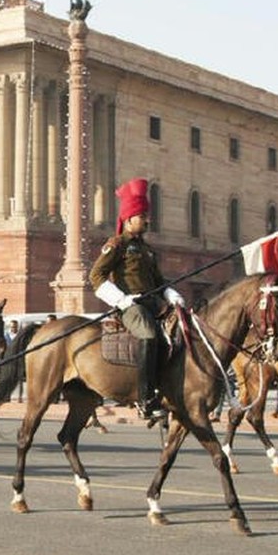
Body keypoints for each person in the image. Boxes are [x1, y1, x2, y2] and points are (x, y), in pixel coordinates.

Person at [90, 177, 184, 420]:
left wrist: (171, 294)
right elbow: (96, 275)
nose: (146, 220)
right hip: (131, 305)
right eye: (142, 216)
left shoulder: (147, 250)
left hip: (154, 303)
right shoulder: (117, 244)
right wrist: (120, 299)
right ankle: (145, 399)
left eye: (146, 216)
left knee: (178, 334)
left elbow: (159, 280)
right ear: (128, 219)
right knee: (148, 334)